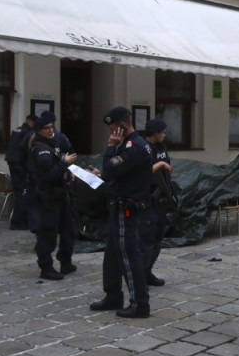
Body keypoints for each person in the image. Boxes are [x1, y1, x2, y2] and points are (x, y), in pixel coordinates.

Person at [89, 106, 157, 318]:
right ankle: (113, 295)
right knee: (112, 255)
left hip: (127, 208)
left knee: (129, 256)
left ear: (122, 126)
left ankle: (140, 304)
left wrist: (110, 149)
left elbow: (113, 168)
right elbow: (119, 173)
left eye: (112, 130)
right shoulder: (130, 145)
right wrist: (104, 174)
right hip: (120, 206)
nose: (111, 134)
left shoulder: (134, 147)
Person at [29, 111, 78, 280]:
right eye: (46, 128)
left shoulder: (52, 144)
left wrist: (68, 170)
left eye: (51, 127)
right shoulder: (40, 149)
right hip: (48, 196)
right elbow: (49, 175)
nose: (50, 131)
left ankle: (65, 262)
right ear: (39, 131)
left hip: (60, 193)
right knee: (48, 233)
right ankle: (46, 267)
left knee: (68, 230)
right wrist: (64, 163)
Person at [144, 119, 176, 287]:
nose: (164, 135)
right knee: (148, 239)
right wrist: (160, 164)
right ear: (155, 134)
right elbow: (142, 172)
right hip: (147, 199)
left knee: (158, 237)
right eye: (162, 132)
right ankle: (141, 274)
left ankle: (147, 272)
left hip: (161, 198)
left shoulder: (161, 146)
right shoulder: (144, 148)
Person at [5, 113, 38, 230]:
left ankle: (19, 220)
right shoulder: (28, 133)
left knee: (19, 193)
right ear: (31, 122)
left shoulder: (16, 130)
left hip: (12, 165)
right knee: (23, 194)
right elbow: (27, 151)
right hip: (21, 167)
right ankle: (18, 221)